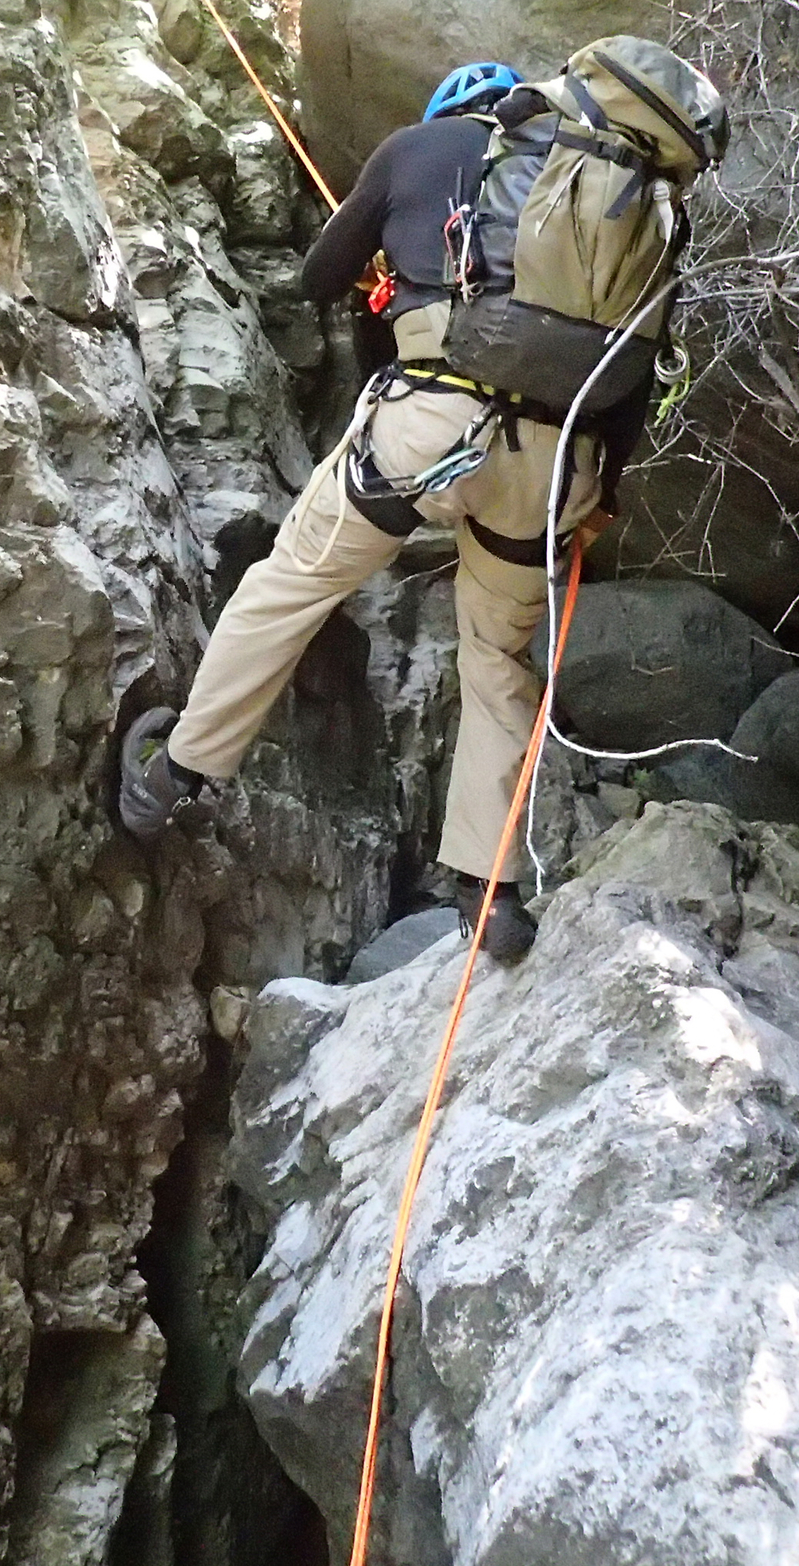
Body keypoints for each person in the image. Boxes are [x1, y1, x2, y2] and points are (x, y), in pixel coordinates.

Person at [118, 60, 652, 961]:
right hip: (557, 463)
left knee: (293, 582)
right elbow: (634, 370)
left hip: (424, 430)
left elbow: (317, 279)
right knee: (495, 659)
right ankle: (492, 894)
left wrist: (390, 262)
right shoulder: (601, 201)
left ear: (453, 110)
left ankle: (173, 771)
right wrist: (601, 496)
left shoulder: (416, 147)